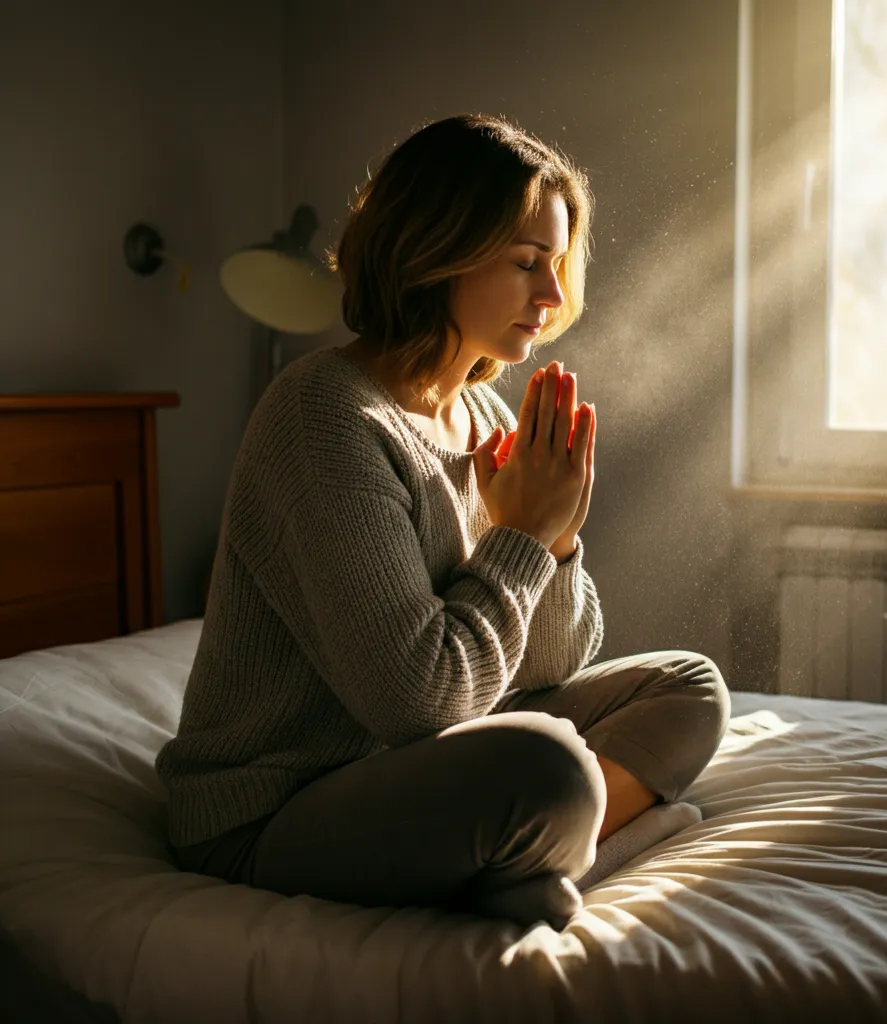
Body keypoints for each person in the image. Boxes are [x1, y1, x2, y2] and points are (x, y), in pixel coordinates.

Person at [155, 113, 730, 931]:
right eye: (528, 262)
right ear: (436, 250)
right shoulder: (326, 416)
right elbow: (419, 701)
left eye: (558, 264)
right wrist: (522, 537)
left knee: (689, 687)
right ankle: (553, 844)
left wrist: (557, 537)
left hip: (413, 767)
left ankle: (532, 855)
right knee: (549, 768)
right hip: (273, 810)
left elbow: (550, 659)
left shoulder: (478, 411)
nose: (555, 295)